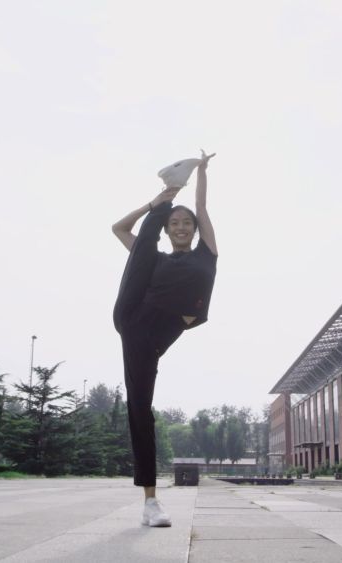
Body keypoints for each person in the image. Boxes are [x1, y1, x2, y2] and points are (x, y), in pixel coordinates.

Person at [112, 150, 217, 527]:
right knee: (144, 247)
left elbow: (202, 207)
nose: (182, 227)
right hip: (133, 317)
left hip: (149, 340)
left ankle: (149, 504)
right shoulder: (156, 259)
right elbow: (118, 228)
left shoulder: (206, 255)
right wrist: (154, 204)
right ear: (169, 229)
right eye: (174, 223)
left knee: (141, 409)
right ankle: (168, 191)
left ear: (194, 229)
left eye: (186, 223)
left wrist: (202, 172)